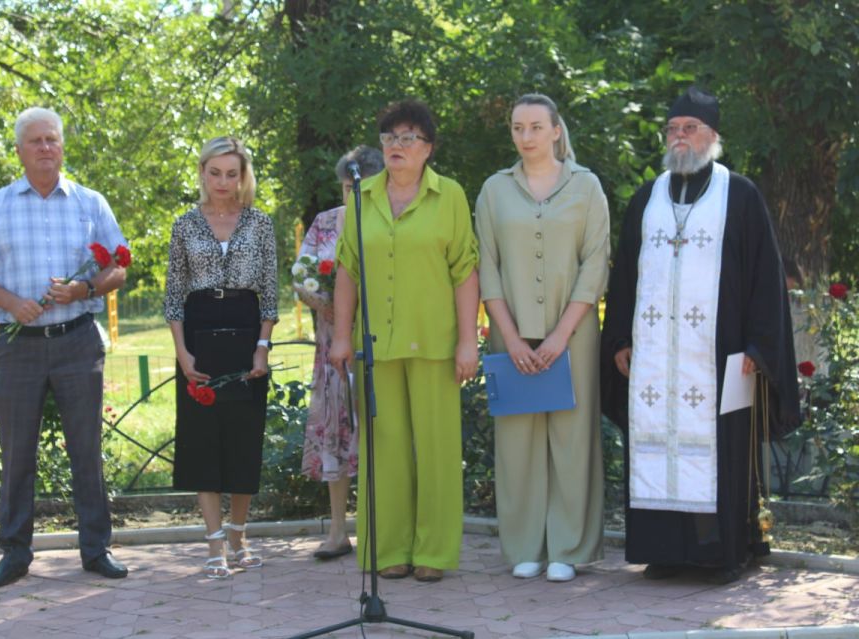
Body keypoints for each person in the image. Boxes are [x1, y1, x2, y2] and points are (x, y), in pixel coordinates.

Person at [601, 87, 800, 584]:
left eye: (690, 128)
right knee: (655, 445)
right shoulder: (647, 199)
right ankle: (662, 551)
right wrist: (621, 338)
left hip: (720, 359)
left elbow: (765, 278)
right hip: (653, 361)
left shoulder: (741, 195)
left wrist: (758, 347)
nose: (680, 137)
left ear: (712, 136)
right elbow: (625, 274)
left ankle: (721, 554)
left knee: (720, 451)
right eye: (673, 129)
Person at [0, 107, 129, 588]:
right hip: (20, 347)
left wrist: (85, 290)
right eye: (34, 141)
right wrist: (13, 303)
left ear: (62, 146)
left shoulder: (90, 202)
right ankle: (14, 553)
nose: (44, 148)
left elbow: (119, 265)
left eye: (51, 139)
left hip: (77, 341)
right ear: (19, 150)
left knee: (86, 449)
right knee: (17, 452)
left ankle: (96, 549)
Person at [329, 99, 479, 583]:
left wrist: (468, 342)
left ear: (428, 148)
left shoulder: (450, 195)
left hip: (436, 342)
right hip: (376, 344)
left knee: (436, 449)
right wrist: (340, 336)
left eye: (408, 137)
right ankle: (388, 549)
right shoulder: (362, 196)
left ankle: (433, 553)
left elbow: (465, 270)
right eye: (390, 138)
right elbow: (348, 270)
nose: (396, 146)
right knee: (383, 449)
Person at [475, 94, 610, 583]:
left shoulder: (587, 186)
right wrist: (509, 337)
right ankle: (525, 545)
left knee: (572, 441)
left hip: (571, 334)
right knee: (517, 443)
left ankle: (568, 548)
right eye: (517, 128)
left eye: (535, 127)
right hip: (510, 335)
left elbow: (595, 264)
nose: (525, 136)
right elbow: (486, 265)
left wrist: (559, 335)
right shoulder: (494, 190)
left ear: (556, 130)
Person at [164, 136, 278, 580]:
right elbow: (173, 294)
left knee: (243, 439)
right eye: (215, 173)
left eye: (233, 173)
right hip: (199, 335)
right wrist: (182, 351)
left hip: (247, 333)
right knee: (202, 440)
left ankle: (238, 536)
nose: (223, 182)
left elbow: (270, 291)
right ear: (203, 173)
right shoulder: (185, 224)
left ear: (244, 176)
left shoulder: (260, 223)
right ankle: (214, 546)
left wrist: (262, 345)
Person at [296, 145, 384, 560]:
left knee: (382, 438)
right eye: (349, 186)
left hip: (383, 344)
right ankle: (337, 530)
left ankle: (382, 528)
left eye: (363, 186)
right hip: (334, 346)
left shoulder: (391, 221)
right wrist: (323, 296)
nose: (355, 194)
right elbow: (303, 277)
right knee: (338, 438)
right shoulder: (326, 223)